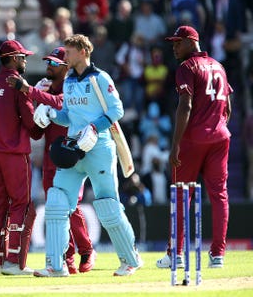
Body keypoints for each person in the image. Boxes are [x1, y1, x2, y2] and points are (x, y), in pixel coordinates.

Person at [33, 34, 142, 277]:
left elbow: (117, 110)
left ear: (83, 52)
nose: (66, 56)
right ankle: (56, 265)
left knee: (107, 205)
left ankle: (130, 260)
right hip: (73, 149)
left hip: (99, 148)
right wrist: (51, 114)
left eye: (69, 52)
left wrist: (94, 128)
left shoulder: (100, 78)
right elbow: (68, 116)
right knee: (57, 201)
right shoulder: (70, 80)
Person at [6, 47, 96, 275]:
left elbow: (59, 103)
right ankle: (67, 259)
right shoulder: (43, 87)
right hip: (49, 157)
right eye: (49, 62)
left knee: (70, 206)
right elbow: (37, 132)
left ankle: (86, 250)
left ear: (67, 68)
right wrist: (32, 110)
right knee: (56, 209)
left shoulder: (73, 87)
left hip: (72, 155)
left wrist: (31, 93)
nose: (49, 66)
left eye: (55, 63)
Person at [157, 25, 232, 269]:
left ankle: (175, 254)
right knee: (219, 195)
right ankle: (217, 255)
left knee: (181, 194)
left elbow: (185, 105)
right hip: (220, 137)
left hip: (192, 140)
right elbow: (228, 109)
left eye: (178, 42)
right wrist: (215, 126)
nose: (175, 47)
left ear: (192, 41)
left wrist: (176, 144)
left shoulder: (186, 67)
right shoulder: (219, 66)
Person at [0, 40, 41, 276]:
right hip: (13, 153)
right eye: (23, 57)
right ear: (14, 58)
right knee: (20, 204)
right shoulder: (17, 84)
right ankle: (13, 261)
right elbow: (31, 123)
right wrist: (43, 125)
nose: (25, 60)